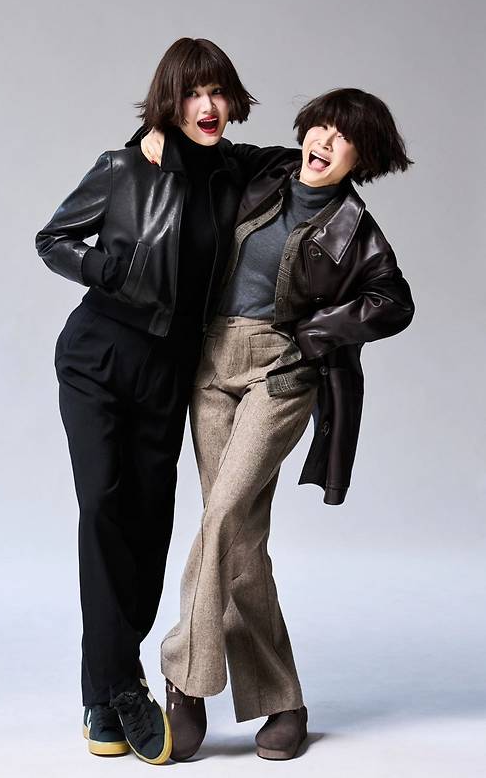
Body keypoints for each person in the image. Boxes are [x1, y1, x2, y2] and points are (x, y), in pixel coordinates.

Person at [35, 37, 294, 765]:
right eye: (191, 94)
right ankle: (113, 690)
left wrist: (338, 139)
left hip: (169, 371)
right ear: (168, 102)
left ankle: (117, 679)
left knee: (150, 526)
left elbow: (303, 162)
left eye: (217, 92)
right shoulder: (124, 167)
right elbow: (53, 239)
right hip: (99, 356)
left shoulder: (236, 172)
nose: (206, 106)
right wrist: (108, 270)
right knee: (103, 509)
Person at [140, 88, 415, 761]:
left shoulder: (356, 229)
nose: (324, 142)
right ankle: (283, 701)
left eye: (342, 138)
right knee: (241, 537)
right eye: (319, 127)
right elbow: (205, 153)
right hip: (210, 363)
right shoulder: (265, 170)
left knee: (222, 514)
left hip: (280, 371)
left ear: (362, 158)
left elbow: (394, 302)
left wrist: (314, 336)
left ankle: (185, 682)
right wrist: (152, 138)